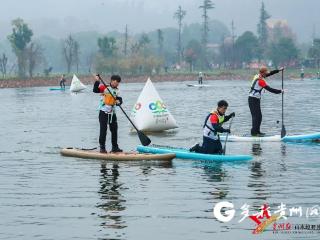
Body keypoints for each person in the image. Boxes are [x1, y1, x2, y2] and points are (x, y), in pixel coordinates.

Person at [249, 66, 284, 136]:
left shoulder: (258, 75)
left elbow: (270, 73)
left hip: (256, 99)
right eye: (265, 73)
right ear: (262, 73)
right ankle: (254, 132)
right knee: (256, 116)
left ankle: (257, 131)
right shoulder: (260, 81)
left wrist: (278, 70)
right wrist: (280, 91)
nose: (266, 74)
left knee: (259, 116)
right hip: (252, 99)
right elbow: (270, 89)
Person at [93, 74, 123, 153]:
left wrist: (118, 102)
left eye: (118, 83)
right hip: (103, 112)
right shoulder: (104, 87)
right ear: (112, 81)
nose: (117, 84)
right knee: (103, 130)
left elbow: (120, 100)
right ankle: (102, 147)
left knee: (114, 130)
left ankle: (114, 147)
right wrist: (97, 81)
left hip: (112, 113)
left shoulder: (117, 90)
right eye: (116, 82)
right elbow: (95, 90)